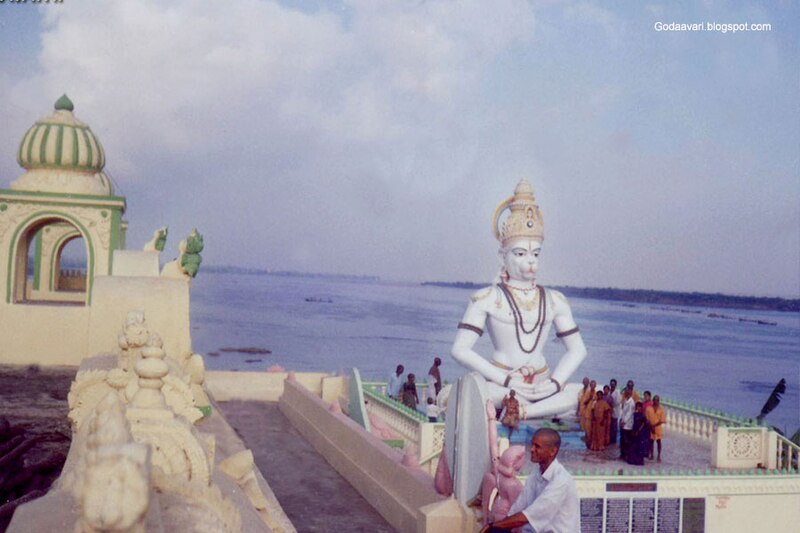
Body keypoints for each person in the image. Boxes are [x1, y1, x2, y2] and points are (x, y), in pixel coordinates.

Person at [451, 180, 588, 419]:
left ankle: (524, 411)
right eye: (520, 253)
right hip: (502, 382)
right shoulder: (487, 298)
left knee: (584, 393)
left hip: (543, 383)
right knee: (477, 394)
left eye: (536, 254)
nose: (531, 261)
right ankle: (531, 409)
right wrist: (506, 379)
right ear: (502, 255)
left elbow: (578, 350)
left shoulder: (555, 300)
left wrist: (555, 383)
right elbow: (460, 349)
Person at [480, 428, 579, 533]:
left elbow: (531, 515)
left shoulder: (561, 480)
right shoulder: (536, 473)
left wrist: (492, 526)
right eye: (532, 445)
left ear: (552, 451)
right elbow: (519, 506)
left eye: (537, 447)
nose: (531, 449)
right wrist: (496, 528)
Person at [646, 395, 666, 461]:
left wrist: (654, 426)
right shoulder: (648, 408)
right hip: (650, 428)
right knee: (651, 442)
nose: (656, 401)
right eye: (655, 400)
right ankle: (651, 454)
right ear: (653, 400)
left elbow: (662, 420)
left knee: (658, 442)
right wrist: (651, 426)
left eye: (657, 400)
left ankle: (659, 455)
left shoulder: (661, 409)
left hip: (658, 428)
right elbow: (647, 419)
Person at [619, 389, 634, 460]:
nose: (626, 394)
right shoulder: (625, 400)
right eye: (626, 393)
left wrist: (623, 422)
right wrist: (621, 420)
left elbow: (629, 414)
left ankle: (626, 455)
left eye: (628, 393)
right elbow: (623, 412)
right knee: (622, 441)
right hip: (623, 423)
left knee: (626, 441)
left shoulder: (631, 403)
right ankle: (622, 454)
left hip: (627, 425)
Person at [580, 379, 596, 445]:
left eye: (594, 386)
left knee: (591, 427)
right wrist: (589, 398)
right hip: (587, 412)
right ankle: (587, 438)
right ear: (590, 385)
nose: (593, 387)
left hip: (593, 412)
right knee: (587, 427)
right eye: (592, 385)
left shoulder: (596, 393)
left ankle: (590, 438)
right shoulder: (587, 392)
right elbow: (584, 402)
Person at [609, 379, 621, 445]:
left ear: (615, 385)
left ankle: (613, 442)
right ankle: (609, 440)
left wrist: (611, 404)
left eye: (613, 384)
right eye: (611, 384)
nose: (612, 385)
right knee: (609, 427)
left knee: (614, 428)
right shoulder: (608, 391)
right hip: (608, 412)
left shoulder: (617, 392)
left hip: (615, 412)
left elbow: (618, 402)